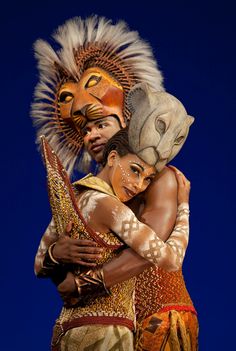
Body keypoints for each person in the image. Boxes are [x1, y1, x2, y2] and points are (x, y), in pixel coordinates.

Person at [32, 16, 198, 350]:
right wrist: (56, 254)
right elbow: (63, 263)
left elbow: (150, 254)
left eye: (100, 123)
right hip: (104, 327)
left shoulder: (162, 178)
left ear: (128, 119)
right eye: (84, 129)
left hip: (158, 316)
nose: (91, 135)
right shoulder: (88, 193)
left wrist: (84, 285)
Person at [39, 127, 190, 351]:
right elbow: (171, 259)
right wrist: (183, 208)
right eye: (134, 171)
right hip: (107, 335)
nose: (139, 185)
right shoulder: (111, 207)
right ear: (112, 158)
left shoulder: (75, 194)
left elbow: (39, 264)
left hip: (66, 331)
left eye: (148, 179)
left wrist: (55, 254)